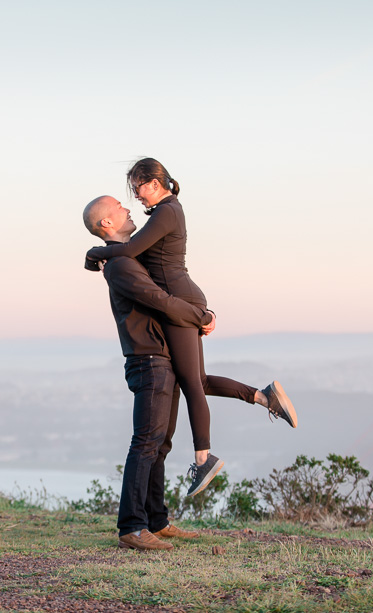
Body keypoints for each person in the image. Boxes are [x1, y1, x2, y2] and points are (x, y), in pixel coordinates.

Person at [85, 158, 297, 498]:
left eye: (136, 189)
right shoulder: (161, 214)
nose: (133, 199)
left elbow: (130, 250)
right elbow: (131, 253)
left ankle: (204, 458)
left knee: (191, 384)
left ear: (154, 183)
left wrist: (93, 252)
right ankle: (263, 396)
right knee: (197, 380)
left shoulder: (168, 211)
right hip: (183, 301)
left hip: (179, 303)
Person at [83, 194, 212, 551]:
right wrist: (202, 317)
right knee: (145, 443)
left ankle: (157, 521)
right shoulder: (122, 267)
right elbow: (160, 301)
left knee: (160, 444)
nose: (128, 209)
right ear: (107, 224)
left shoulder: (126, 258)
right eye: (120, 209)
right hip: (149, 360)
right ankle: (132, 526)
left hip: (161, 359)